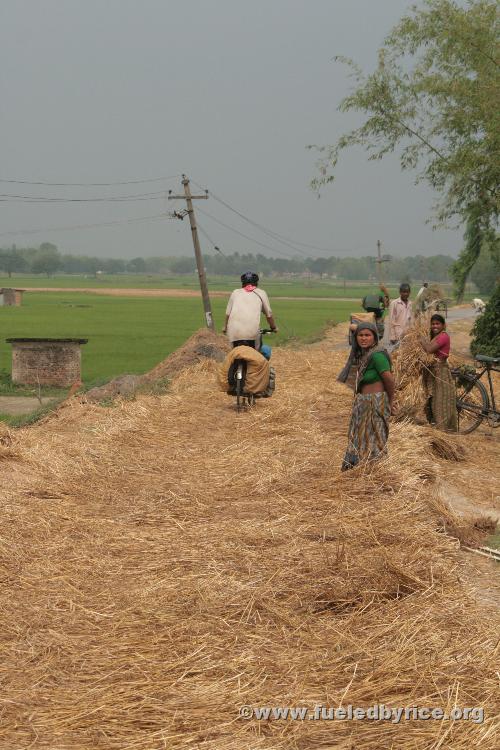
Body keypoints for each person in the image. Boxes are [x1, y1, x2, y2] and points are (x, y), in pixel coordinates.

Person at [338, 322, 395, 471]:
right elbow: (352, 326)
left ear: (375, 338)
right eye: (360, 335)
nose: (363, 338)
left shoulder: (377, 356)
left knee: (375, 438)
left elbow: (389, 379)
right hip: (363, 403)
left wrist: (390, 401)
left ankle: (375, 473)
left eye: (367, 335)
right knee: (359, 437)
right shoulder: (365, 355)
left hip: (374, 402)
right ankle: (360, 471)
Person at [420, 314, 458, 432]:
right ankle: (434, 423)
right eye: (433, 324)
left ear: (443, 325)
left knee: (441, 400)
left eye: (437, 324)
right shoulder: (435, 336)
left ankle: (444, 427)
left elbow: (429, 349)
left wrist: (421, 340)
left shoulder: (443, 337)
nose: (434, 326)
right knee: (431, 398)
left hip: (440, 372)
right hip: (433, 371)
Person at [222, 271, 277, 348]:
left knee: (232, 355)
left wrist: (225, 327)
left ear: (242, 283)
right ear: (256, 283)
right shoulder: (261, 293)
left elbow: (228, 314)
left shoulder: (235, 293)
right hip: (252, 334)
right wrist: (274, 327)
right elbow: (269, 315)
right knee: (257, 355)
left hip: (234, 333)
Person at [386, 283, 413, 348]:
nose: (405, 294)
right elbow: (391, 320)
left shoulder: (410, 303)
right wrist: (392, 337)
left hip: (408, 334)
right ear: (400, 292)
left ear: (409, 292)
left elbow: (411, 319)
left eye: (407, 292)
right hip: (397, 334)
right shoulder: (395, 303)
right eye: (403, 292)